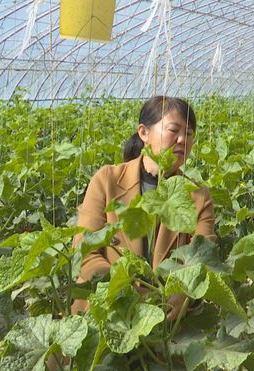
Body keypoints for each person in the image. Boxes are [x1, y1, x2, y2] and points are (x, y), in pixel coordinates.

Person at [71, 95, 216, 320]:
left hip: (166, 319)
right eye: (174, 130)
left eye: (188, 134)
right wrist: (125, 292)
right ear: (144, 133)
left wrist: (185, 292)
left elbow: (203, 255)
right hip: (106, 313)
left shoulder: (197, 195)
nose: (181, 140)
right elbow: (85, 253)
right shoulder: (107, 179)